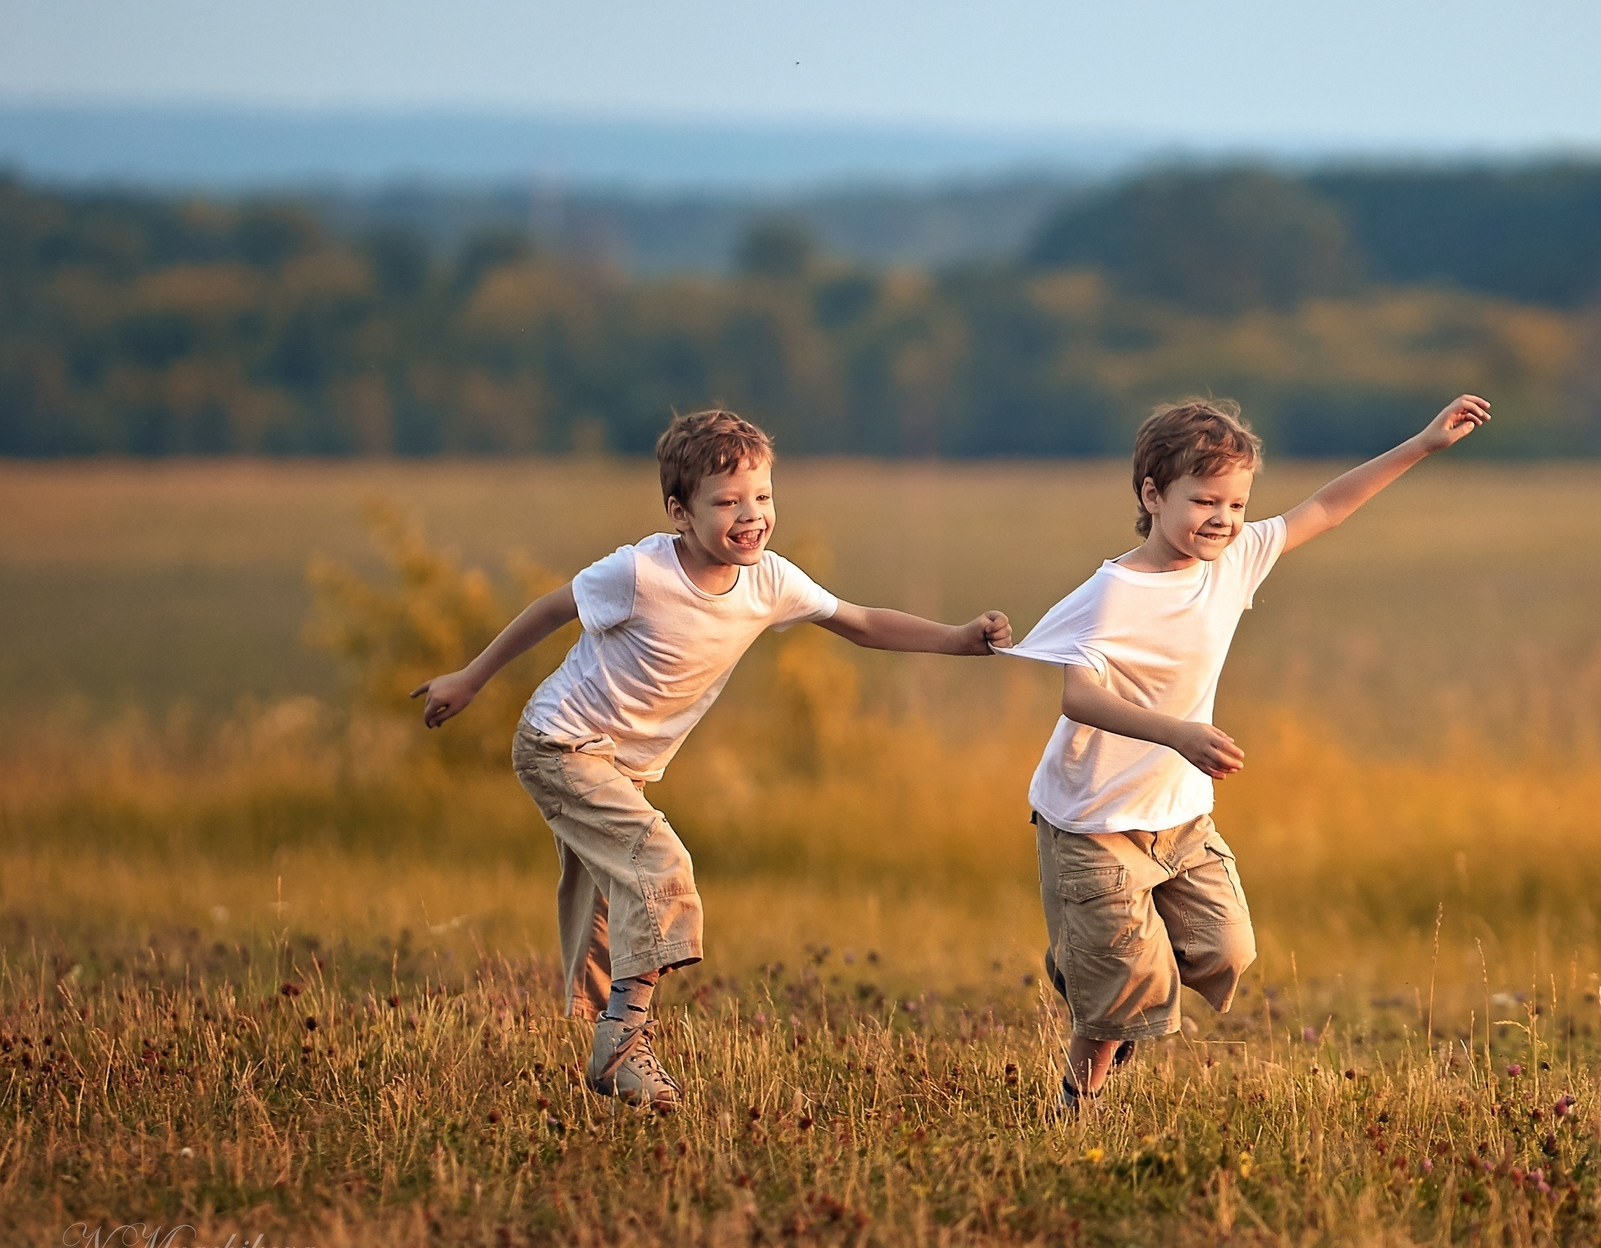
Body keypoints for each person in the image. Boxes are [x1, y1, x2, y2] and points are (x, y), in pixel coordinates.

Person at [410, 408, 1010, 1111]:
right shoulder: (637, 572)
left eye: (762, 497)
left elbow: (862, 622)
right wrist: (471, 678)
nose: (750, 515)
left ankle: (582, 1028)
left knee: (603, 903)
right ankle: (623, 1049)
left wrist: (960, 639)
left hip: (624, 767)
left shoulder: (769, 582)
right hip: (560, 746)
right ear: (680, 512)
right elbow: (551, 609)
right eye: (726, 502)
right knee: (660, 870)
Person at [1002, 392, 1491, 1113]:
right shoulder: (1113, 594)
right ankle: (1077, 1098)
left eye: (1236, 504)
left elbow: (1325, 507)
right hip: (1092, 823)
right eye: (1205, 501)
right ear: (1151, 494)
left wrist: (1421, 444)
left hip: (1179, 818)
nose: (1225, 520)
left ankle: (1093, 963)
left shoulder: (1233, 561)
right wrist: (1178, 732)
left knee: (1225, 951)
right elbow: (1078, 699)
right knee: (1126, 996)